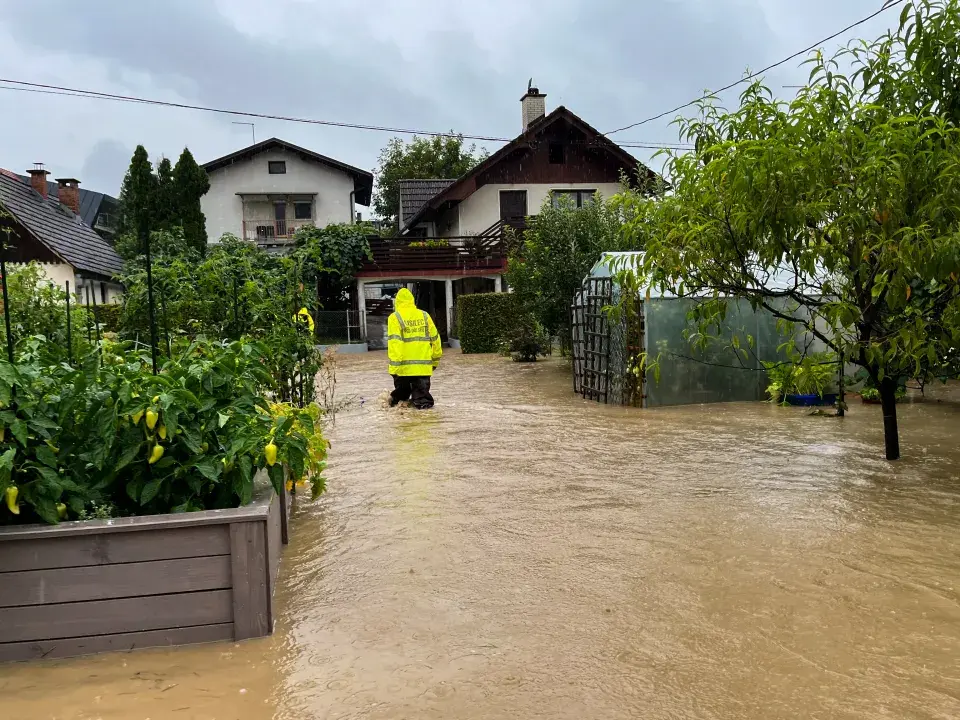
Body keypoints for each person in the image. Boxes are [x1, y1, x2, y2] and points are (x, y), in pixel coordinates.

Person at [387, 288, 442, 409]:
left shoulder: (394, 318)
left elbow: (395, 344)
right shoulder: (424, 315)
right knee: (424, 404)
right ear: (412, 301)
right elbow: (436, 341)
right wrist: (435, 362)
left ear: (397, 302)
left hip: (402, 370)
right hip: (423, 369)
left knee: (400, 403)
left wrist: (393, 368)